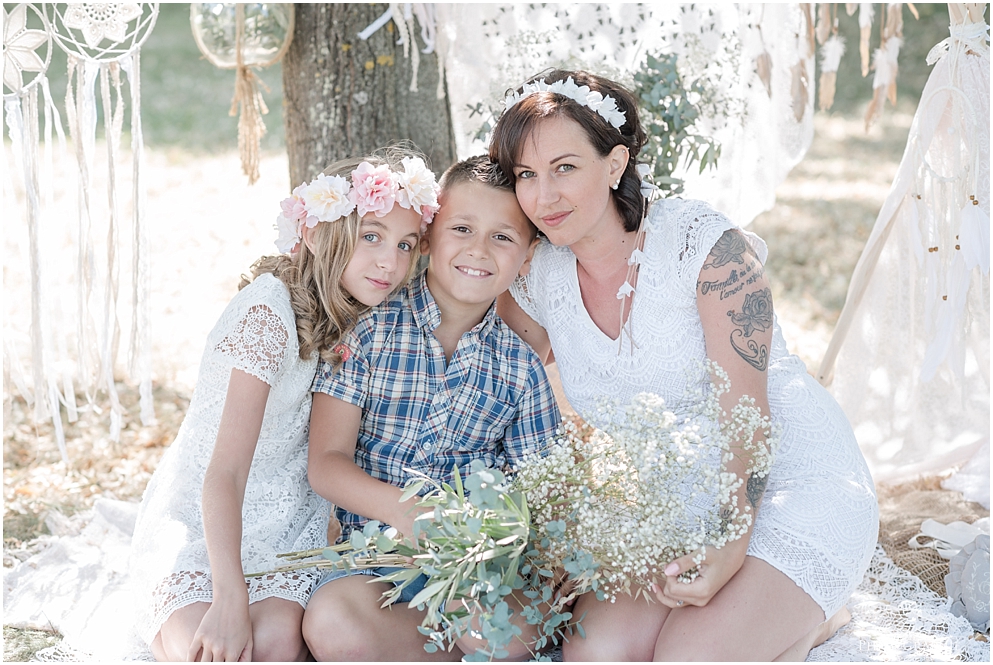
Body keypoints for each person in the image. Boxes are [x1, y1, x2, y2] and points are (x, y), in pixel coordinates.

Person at [489, 70, 879, 661]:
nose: (543, 197)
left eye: (565, 167)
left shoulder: (704, 246)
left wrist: (730, 537)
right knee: (595, 653)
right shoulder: (538, 276)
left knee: (688, 658)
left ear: (616, 164)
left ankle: (811, 619)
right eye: (526, 176)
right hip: (667, 507)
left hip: (786, 483)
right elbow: (484, 363)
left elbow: (745, 408)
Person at [129, 149, 440, 662]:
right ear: (318, 235)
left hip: (289, 520)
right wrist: (229, 598)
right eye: (371, 236)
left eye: (406, 245)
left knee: (272, 642)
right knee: (208, 650)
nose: (391, 260)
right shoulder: (266, 313)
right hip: (207, 515)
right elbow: (223, 473)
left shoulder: (356, 313)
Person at [302, 156, 562, 661]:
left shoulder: (520, 368)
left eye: (503, 238)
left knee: (513, 636)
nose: (478, 250)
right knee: (333, 622)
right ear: (427, 238)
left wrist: (491, 542)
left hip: (472, 570)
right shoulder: (371, 331)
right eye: (461, 228)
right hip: (376, 565)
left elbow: (544, 490)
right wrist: (405, 511)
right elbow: (326, 463)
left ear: (528, 257)